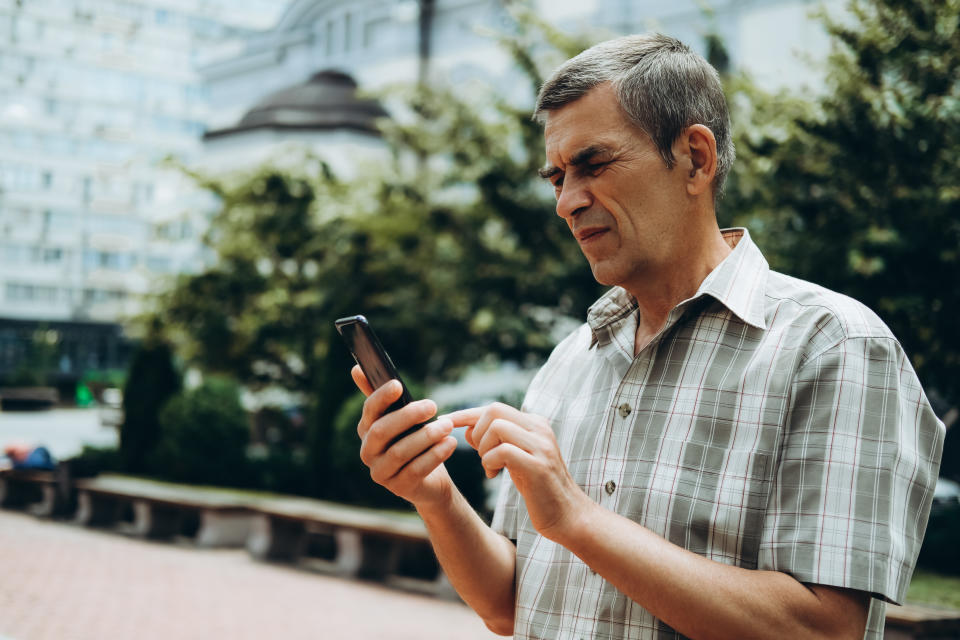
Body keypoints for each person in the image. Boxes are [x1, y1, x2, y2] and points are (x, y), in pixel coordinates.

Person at [349, 34, 944, 639]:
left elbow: (824, 631)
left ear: (695, 157)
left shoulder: (834, 346)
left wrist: (577, 517)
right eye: (556, 177)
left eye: (593, 164)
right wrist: (434, 496)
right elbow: (510, 604)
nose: (567, 202)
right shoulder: (571, 359)